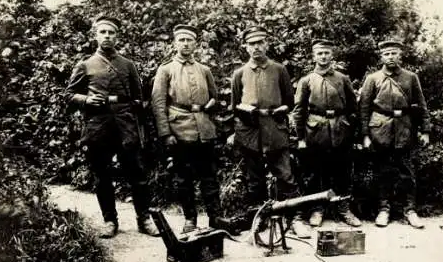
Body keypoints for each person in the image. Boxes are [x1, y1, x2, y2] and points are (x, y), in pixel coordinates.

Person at [65, 15, 159, 238]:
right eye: (103, 32)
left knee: (137, 174)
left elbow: (139, 98)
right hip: (98, 127)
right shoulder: (85, 65)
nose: (107, 36)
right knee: (101, 176)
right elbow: (68, 95)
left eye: (111, 32)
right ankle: (110, 221)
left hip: (126, 127)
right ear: (95, 35)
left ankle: (144, 218)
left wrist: (137, 122)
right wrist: (86, 100)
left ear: (117, 36)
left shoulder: (127, 65)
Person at [151, 24, 234, 234]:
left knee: (209, 176)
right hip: (179, 130)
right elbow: (158, 103)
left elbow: (215, 97)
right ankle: (190, 218)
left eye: (189, 40)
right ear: (174, 43)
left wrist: (210, 105)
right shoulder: (166, 69)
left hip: (204, 130)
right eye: (181, 40)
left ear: (195, 44)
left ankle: (216, 217)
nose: (185, 44)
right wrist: (165, 133)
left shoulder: (204, 70)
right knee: (183, 178)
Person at [231, 25, 307, 234]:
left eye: (260, 42)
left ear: (267, 44)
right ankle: (258, 217)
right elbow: (235, 105)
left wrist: (281, 109)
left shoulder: (279, 69)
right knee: (254, 180)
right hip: (250, 131)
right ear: (246, 47)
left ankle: (295, 218)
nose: (256, 47)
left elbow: (290, 102)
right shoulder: (239, 74)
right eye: (251, 44)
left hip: (275, 128)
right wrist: (246, 114)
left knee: (285, 175)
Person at [293, 39, 362, 236]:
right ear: (313, 56)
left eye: (327, 53)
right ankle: (318, 209)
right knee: (316, 172)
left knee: (343, 171)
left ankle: (343, 209)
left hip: (341, 130)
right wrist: (300, 138)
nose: (323, 57)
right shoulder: (306, 81)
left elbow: (353, 108)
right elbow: (299, 111)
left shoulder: (342, 79)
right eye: (319, 53)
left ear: (332, 55)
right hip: (316, 131)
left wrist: (352, 132)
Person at [359, 39, 430, 228]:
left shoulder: (410, 77)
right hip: (380, 129)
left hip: (404, 129)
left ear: (401, 55)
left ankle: (410, 210)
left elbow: (421, 105)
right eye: (387, 54)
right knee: (383, 171)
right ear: (381, 57)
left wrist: (425, 130)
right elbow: (364, 109)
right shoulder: (372, 79)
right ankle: (384, 210)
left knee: (407, 171)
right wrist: (365, 135)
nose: (391, 57)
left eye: (394, 53)